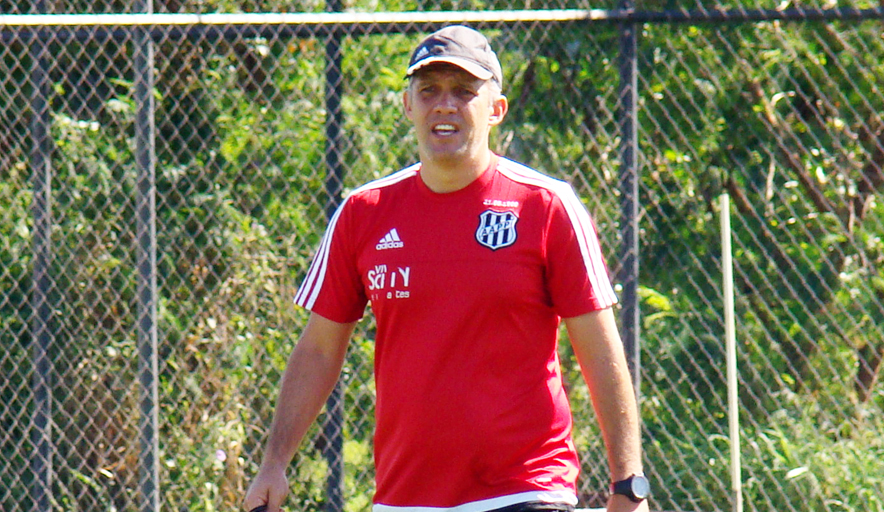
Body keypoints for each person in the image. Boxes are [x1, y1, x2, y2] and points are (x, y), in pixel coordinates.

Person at [243, 25, 650, 512]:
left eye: (464, 91)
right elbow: (317, 349)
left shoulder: (546, 206)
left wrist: (629, 484)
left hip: (526, 491)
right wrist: (273, 463)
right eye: (429, 90)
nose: (445, 105)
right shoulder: (363, 212)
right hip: (405, 500)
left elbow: (600, 348)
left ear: (495, 109)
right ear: (407, 105)